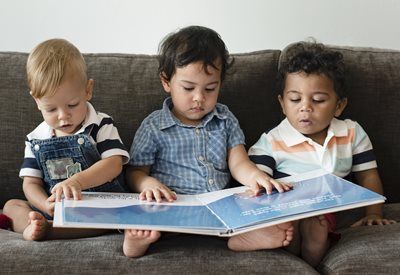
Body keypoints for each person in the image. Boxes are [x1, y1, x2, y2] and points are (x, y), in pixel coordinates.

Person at [123, 26, 294, 258]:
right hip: (172, 206)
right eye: (188, 88)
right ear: (166, 81)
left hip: (220, 207)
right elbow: (134, 172)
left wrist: (256, 178)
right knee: (143, 213)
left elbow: (238, 162)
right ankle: (138, 241)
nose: (199, 98)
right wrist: (147, 184)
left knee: (253, 205)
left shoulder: (225, 119)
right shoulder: (154, 125)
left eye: (210, 89)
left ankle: (241, 236)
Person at [248, 41, 397, 267]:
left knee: (318, 224)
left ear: (339, 106)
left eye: (318, 100)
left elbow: (368, 176)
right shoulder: (272, 141)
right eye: (295, 99)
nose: (305, 107)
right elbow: (256, 184)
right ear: (282, 104)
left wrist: (374, 213)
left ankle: (313, 247)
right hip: (290, 208)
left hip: (334, 210)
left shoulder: (351, 132)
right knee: (291, 220)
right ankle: (296, 241)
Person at [3, 39, 130, 241]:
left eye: (72, 105)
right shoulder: (35, 139)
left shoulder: (100, 125)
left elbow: (114, 164)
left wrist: (77, 181)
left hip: (95, 207)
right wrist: (45, 204)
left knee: (112, 216)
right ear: (37, 101)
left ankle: (51, 230)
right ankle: (33, 225)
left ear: (88, 90)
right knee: (11, 205)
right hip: (53, 208)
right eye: (51, 109)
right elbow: (30, 183)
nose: (63, 116)